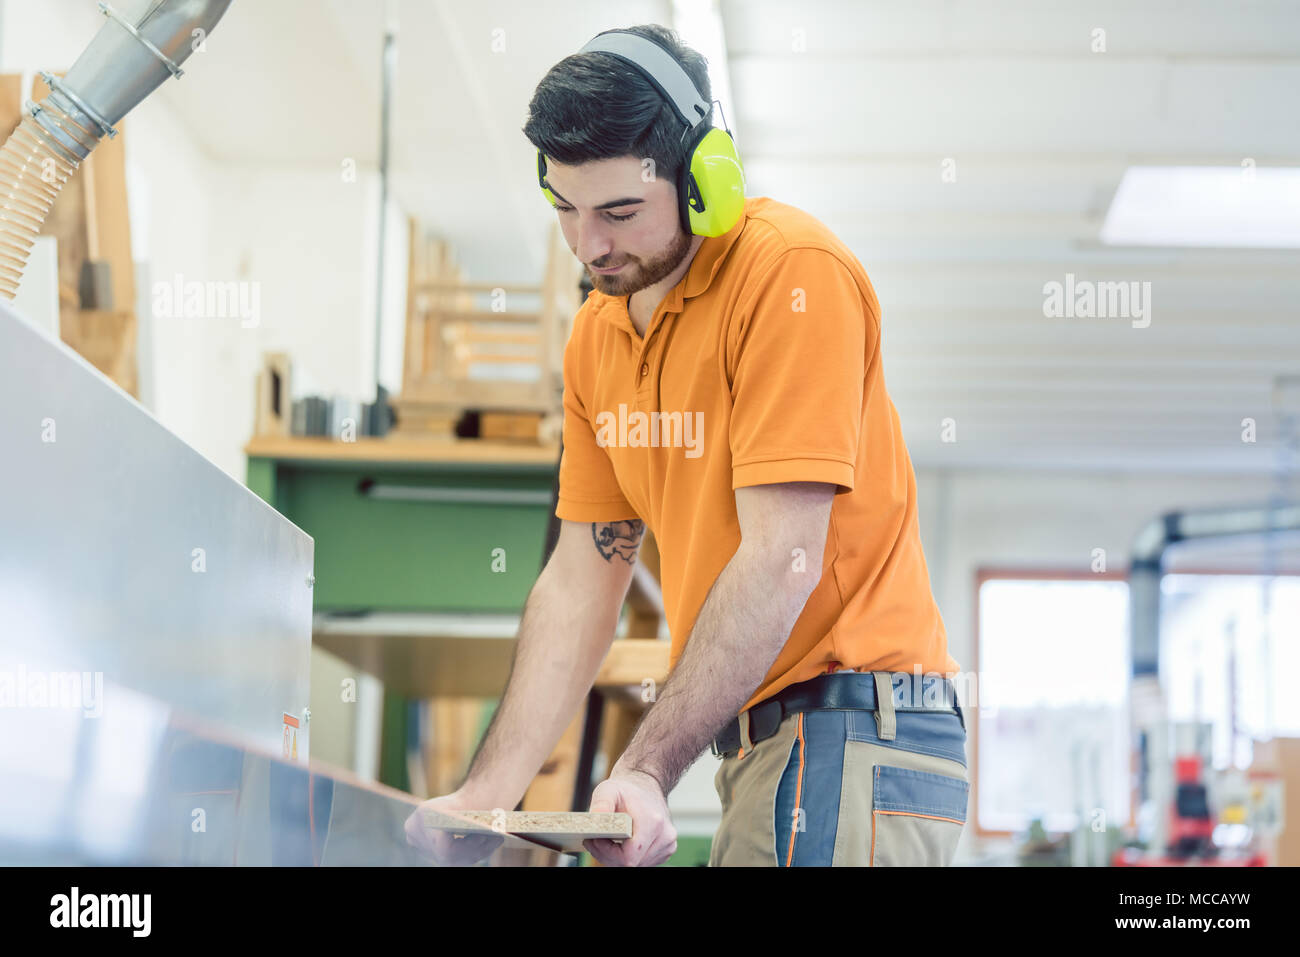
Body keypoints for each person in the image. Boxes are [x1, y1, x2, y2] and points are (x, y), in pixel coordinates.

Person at [405, 23, 968, 868]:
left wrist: (643, 767)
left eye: (620, 212)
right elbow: (579, 580)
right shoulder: (597, 340)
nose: (590, 244)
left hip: (853, 722)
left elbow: (783, 557)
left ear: (707, 178)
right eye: (565, 208)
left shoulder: (790, 277)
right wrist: (486, 795)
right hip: (763, 743)